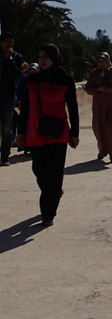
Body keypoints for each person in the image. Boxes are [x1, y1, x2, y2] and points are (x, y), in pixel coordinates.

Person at [16, 43, 79, 227]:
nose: (42, 60)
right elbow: (25, 108)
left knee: (55, 170)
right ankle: (54, 191)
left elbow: (73, 109)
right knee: (39, 170)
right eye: (40, 57)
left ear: (54, 58)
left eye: (46, 57)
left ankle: (48, 212)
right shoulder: (32, 80)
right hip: (35, 131)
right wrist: (20, 133)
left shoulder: (65, 79)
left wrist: (74, 133)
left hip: (59, 132)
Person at [84, 52, 112, 164]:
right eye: (99, 61)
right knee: (98, 128)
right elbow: (88, 88)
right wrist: (99, 89)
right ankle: (102, 150)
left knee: (111, 129)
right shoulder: (94, 74)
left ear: (107, 61)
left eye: (103, 61)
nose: (101, 64)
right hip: (99, 105)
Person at [1, 32, 24, 166]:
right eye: (7, 42)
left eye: (11, 42)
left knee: (6, 127)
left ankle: (4, 157)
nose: (9, 45)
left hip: (8, 96)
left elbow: (17, 74)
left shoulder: (16, 57)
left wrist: (9, 60)